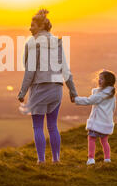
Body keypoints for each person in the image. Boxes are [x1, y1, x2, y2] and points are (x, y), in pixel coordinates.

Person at [17, 9, 78, 164]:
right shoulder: (57, 42)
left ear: (41, 26)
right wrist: (72, 90)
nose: (30, 28)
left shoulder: (33, 43)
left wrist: (22, 92)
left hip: (40, 88)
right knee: (52, 125)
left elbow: (30, 70)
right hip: (57, 89)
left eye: (32, 25)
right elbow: (65, 69)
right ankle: (56, 159)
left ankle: (41, 160)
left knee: (37, 126)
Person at [74, 70, 116, 165]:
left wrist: (76, 99)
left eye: (102, 79)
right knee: (104, 140)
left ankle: (91, 159)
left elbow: (89, 101)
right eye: (99, 78)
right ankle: (107, 159)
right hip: (106, 122)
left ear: (108, 81)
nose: (99, 80)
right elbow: (113, 108)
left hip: (97, 121)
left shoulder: (101, 94)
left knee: (91, 139)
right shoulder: (111, 94)